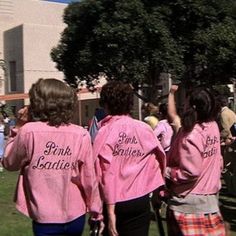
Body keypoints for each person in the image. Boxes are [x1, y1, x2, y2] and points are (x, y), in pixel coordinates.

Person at [2, 78, 103, 236]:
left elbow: (9, 162)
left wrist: (18, 127)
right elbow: (89, 179)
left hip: (45, 216)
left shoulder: (29, 132)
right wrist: (96, 211)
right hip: (75, 214)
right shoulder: (80, 134)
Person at [93, 81, 165, 236]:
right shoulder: (143, 128)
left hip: (113, 201)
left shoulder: (105, 132)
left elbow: (104, 172)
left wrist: (110, 211)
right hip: (140, 198)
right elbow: (158, 160)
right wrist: (158, 189)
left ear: (106, 105)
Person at [165, 87, 226, 235]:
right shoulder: (213, 127)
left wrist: (165, 171)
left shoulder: (191, 135)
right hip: (209, 201)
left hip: (189, 205)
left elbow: (190, 172)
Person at [218, 96, 236, 196]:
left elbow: (225, 130)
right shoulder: (231, 112)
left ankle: (232, 189)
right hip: (234, 142)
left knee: (225, 168)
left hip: (229, 144)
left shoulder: (223, 114)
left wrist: (218, 137)